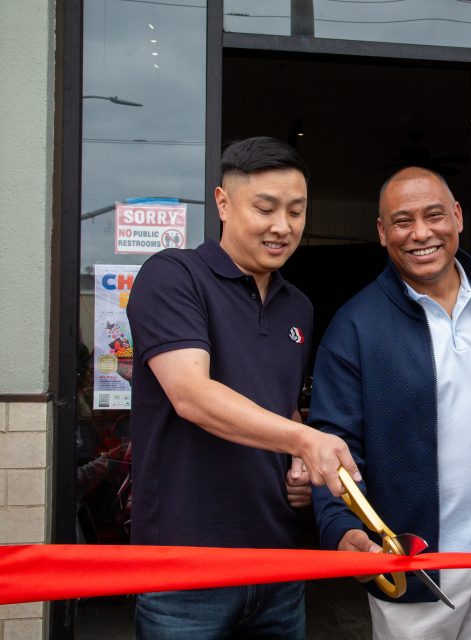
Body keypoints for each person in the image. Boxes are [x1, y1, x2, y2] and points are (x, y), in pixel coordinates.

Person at [127, 136, 360, 640]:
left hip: (278, 564)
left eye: (296, 211)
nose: (283, 226)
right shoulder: (173, 275)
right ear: (223, 203)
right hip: (185, 568)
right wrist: (304, 442)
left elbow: (280, 408)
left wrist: (299, 458)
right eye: (266, 208)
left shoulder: (299, 305)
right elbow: (191, 393)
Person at [310, 166, 471, 640]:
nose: (421, 233)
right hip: (411, 564)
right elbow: (331, 446)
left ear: (457, 217)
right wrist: (338, 529)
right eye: (402, 221)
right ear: (381, 233)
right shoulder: (355, 325)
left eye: (434, 215)